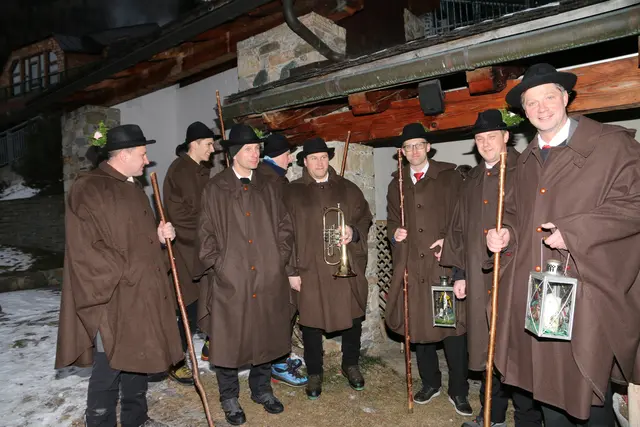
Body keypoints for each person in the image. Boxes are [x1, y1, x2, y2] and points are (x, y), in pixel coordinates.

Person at [486, 63, 640, 426]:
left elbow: (635, 203)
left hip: (589, 291)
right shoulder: (524, 162)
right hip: (537, 297)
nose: (541, 108)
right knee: (548, 390)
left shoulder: (612, 145)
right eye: (531, 102)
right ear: (523, 111)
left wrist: (574, 231)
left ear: (566, 98)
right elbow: (516, 214)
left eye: (549, 97)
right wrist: (506, 233)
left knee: (587, 388)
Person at [55, 124, 183, 427]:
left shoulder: (133, 188)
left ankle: (135, 419)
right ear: (123, 155)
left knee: (139, 356)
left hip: (142, 292)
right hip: (112, 297)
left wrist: (158, 237)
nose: (147, 160)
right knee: (109, 365)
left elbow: (134, 239)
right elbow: (86, 248)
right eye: (142, 154)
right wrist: (128, 269)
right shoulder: (89, 188)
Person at [441, 110, 542, 427]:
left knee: (517, 348)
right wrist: (459, 274)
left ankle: (527, 420)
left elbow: (536, 219)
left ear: (506, 137)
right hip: (477, 275)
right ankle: (491, 416)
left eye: (491, 137)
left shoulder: (524, 170)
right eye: (479, 138)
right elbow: (459, 228)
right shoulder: (471, 179)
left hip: (514, 275)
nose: (485, 143)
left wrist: (510, 234)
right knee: (488, 347)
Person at [196, 124, 295, 426]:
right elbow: (205, 235)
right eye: (250, 149)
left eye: (257, 149)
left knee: (265, 332)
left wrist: (277, 260)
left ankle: (261, 389)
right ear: (234, 154)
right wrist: (221, 266)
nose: (256, 154)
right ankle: (229, 397)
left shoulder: (269, 186)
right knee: (228, 338)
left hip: (267, 276)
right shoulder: (215, 189)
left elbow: (285, 228)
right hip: (231, 279)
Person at [385, 123, 471, 416]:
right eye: (408, 147)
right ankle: (430, 383)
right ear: (402, 152)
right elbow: (393, 219)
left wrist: (448, 241)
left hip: (442, 265)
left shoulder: (450, 177)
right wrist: (394, 232)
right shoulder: (396, 183)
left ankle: (459, 390)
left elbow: (462, 218)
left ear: (428, 147)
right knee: (419, 327)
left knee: (452, 330)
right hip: (412, 265)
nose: (414, 151)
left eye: (419, 145)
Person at [283, 137, 373, 400]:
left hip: (343, 267)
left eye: (323, 157)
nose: (320, 163)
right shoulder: (291, 192)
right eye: (314, 158)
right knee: (311, 322)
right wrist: (291, 271)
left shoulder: (348, 188)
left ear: (329, 159)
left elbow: (365, 218)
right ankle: (315, 372)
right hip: (308, 268)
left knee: (353, 317)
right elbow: (283, 235)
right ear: (305, 162)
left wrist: (353, 232)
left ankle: (350, 364)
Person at [163, 121, 215, 384]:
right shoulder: (179, 171)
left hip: (202, 248)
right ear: (194, 144)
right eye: (209, 144)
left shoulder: (201, 171)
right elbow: (178, 216)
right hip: (185, 251)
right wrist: (209, 231)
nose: (212, 149)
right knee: (188, 306)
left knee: (209, 298)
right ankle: (175, 361)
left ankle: (210, 344)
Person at [257, 133, 308, 388]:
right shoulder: (272, 182)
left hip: (277, 261)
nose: (290, 159)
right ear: (278, 155)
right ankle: (277, 365)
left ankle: (277, 360)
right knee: (282, 312)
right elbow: (280, 231)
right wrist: (290, 269)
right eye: (288, 154)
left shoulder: (272, 178)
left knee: (281, 313)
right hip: (279, 263)